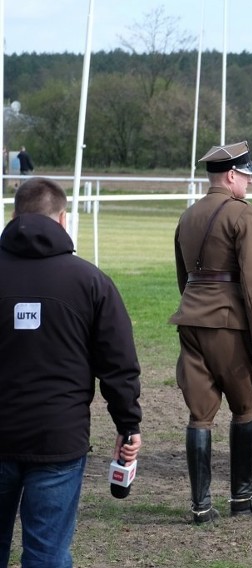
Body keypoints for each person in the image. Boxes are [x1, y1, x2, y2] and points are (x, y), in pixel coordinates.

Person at [0, 177, 142, 566]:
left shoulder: (90, 281)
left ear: (14, 217)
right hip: (57, 439)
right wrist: (128, 426)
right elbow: (118, 365)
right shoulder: (91, 281)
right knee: (47, 553)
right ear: (63, 220)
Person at [169, 141, 252, 524]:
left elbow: (183, 276)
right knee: (244, 406)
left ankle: (201, 505)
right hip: (228, 323)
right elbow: (251, 280)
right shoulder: (242, 214)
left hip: (190, 319)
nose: (249, 182)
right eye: (246, 175)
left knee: (200, 414)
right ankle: (242, 497)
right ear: (230, 176)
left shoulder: (187, 215)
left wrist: (194, 306)